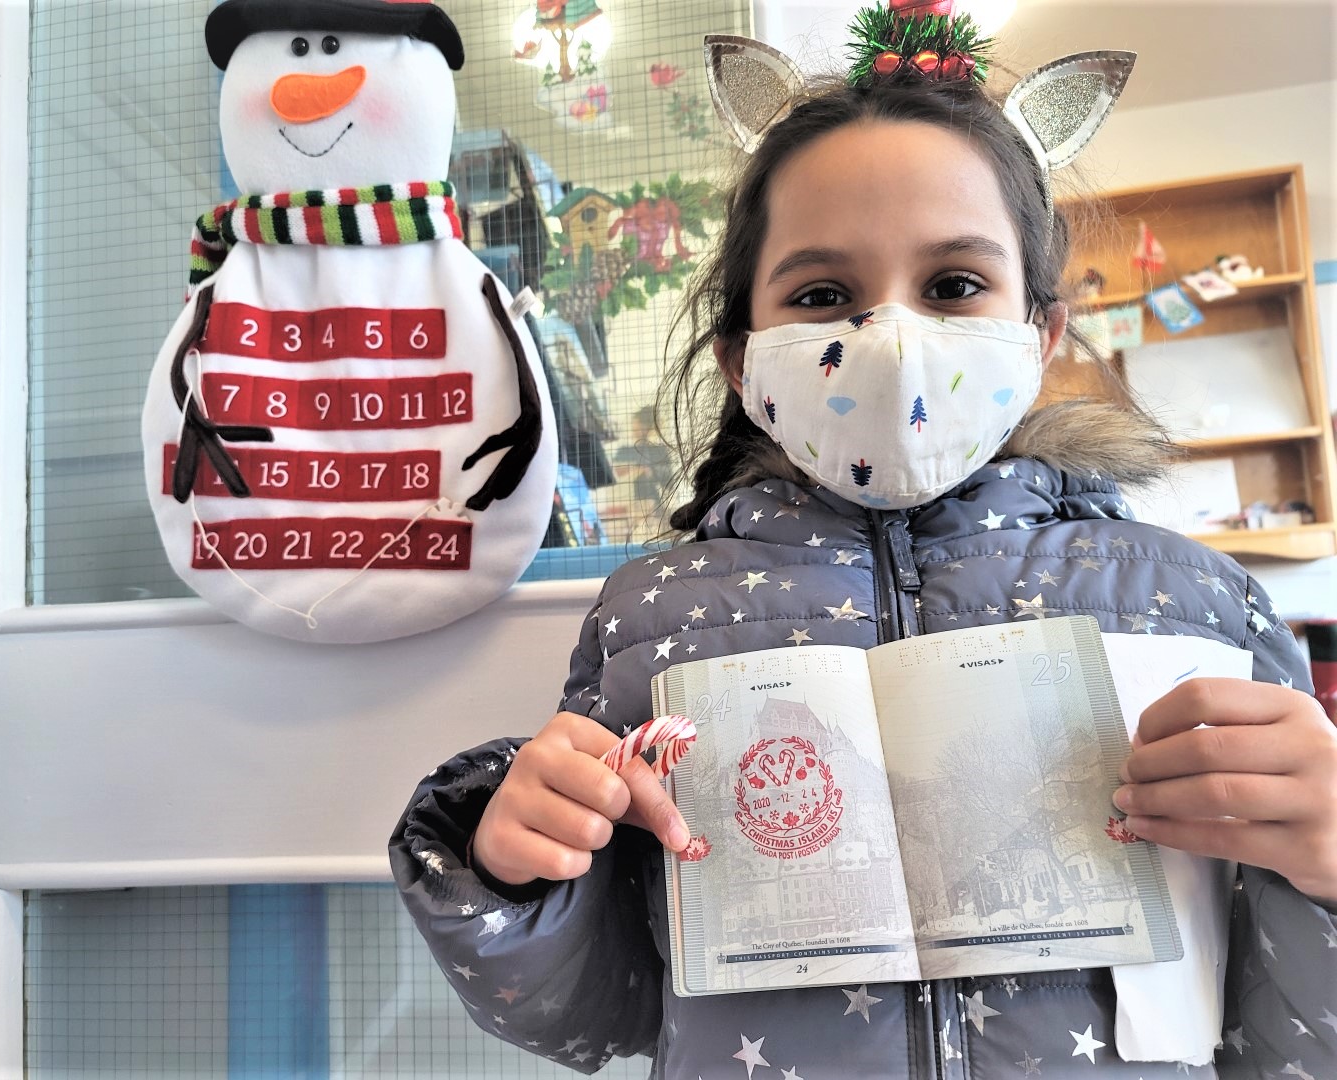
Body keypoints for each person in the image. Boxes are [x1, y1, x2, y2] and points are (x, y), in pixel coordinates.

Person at [391, 21, 1337, 1080]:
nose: (891, 338)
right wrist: (513, 866)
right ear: (742, 358)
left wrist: (1327, 864)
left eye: (954, 286)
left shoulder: (1193, 605)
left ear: (1042, 336)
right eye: (823, 296)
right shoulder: (652, 619)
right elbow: (595, 1014)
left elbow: (1291, 1042)